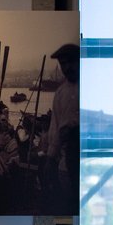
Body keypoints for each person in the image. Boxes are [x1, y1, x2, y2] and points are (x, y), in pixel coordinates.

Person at [42, 43, 80, 203]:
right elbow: (55, 127)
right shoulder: (60, 93)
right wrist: (50, 158)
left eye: (71, 62)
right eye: (63, 63)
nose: (67, 67)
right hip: (68, 156)